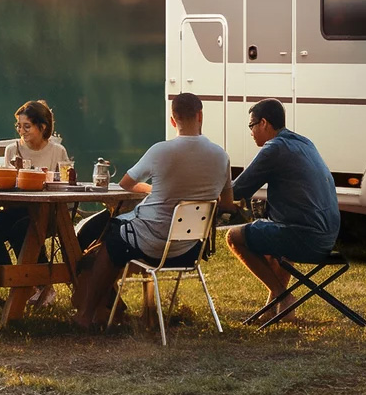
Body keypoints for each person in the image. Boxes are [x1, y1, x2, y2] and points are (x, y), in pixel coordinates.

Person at [70, 93, 229, 328]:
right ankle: (128, 311)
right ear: (200, 116)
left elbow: (126, 183)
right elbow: (225, 204)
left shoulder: (161, 151)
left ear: (173, 120)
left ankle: (87, 314)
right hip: (190, 249)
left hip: (153, 244)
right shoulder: (221, 156)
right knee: (119, 236)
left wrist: (152, 190)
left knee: (113, 240)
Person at [221, 99, 341, 321]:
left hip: (306, 238)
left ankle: (282, 296)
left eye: (251, 126)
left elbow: (238, 191)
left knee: (234, 237)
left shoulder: (274, 148)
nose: (251, 132)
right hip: (328, 238)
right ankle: (274, 308)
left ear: (264, 123)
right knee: (272, 234)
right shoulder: (305, 143)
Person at [0, 100, 70, 305]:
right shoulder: (12, 150)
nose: (22, 131)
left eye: (27, 126)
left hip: (48, 210)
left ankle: (42, 286)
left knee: (23, 229)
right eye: (19, 126)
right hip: (18, 206)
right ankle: (17, 281)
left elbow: (64, 183)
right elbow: (5, 183)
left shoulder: (57, 151)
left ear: (43, 126)